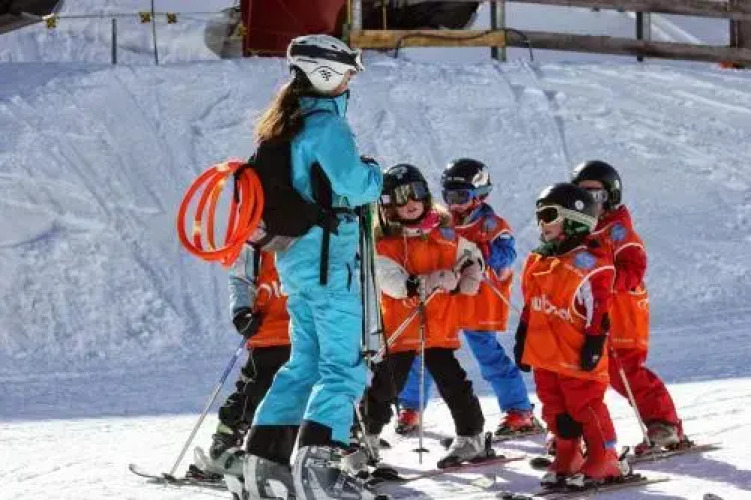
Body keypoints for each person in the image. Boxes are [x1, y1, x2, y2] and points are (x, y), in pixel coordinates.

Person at [235, 34, 383, 500]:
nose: (348, 83)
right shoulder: (326, 127)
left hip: (297, 264)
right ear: (325, 75)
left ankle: (264, 465)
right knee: (344, 367)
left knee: (305, 364)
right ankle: (320, 471)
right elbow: (357, 186)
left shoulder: (282, 127)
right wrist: (375, 173)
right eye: (346, 74)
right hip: (331, 264)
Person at [395, 158, 541, 438]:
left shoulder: (492, 225)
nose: (455, 205)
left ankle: (519, 410)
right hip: (444, 302)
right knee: (424, 353)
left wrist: (481, 253)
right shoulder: (441, 221)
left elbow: (507, 254)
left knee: (489, 357)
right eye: (449, 197)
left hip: (477, 302)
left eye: (461, 197)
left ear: (479, 195)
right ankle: (411, 407)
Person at [360, 163, 488, 468]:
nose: (410, 202)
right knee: (387, 383)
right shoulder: (385, 241)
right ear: (387, 204)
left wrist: (472, 272)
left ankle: (472, 436)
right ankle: (367, 436)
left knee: (452, 380)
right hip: (401, 327)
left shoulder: (445, 233)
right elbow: (389, 279)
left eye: (415, 192)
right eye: (399, 197)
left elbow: (470, 254)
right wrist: (424, 282)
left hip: (438, 324)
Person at [514, 183, 629, 489]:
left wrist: (594, 343)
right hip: (545, 355)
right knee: (554, 408)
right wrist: (522, 337)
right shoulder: (538, 261)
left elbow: (599, 310)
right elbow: (530, 305)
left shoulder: (590, 263)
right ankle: (568, 455)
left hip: (577, 354)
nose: (542, 223)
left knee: (585, 405)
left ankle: (605, 457)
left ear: (574, 218)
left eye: (549, 215)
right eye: (539, 216)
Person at [571, 160, 686, 454]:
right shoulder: (577, 230)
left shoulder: (617, 230)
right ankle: (575, 436)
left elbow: (634, 267)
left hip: (622, 312)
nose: (590, 203)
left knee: (626, 369)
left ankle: (664, 424)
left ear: (610, 196)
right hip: (592, 312)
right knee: (585, 373)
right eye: (583, 196)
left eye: (596, 195)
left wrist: (607, 279)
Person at [187, 244, 290, 480]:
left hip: (305, 330)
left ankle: (323, 450)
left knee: (305, 394)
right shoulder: (257, 237)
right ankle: (223, 447)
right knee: (256, 388)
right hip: (269, 331)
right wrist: (242, 311)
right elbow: (240, 276)